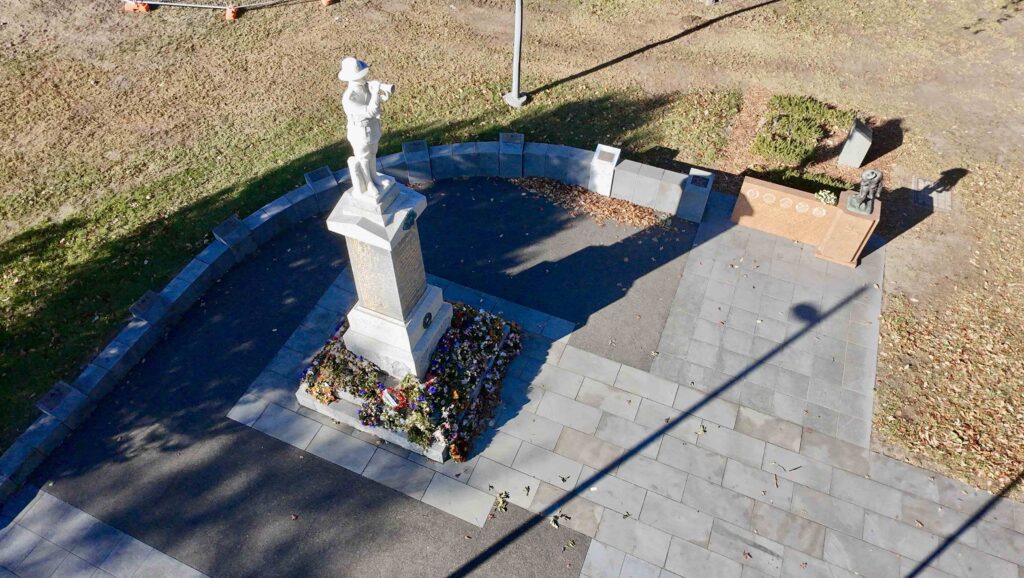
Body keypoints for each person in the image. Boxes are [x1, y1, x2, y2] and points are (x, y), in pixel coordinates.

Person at [338, 57, 394, 200]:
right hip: (360, 132)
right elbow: (370, 111)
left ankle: (374, 176)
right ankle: (368, 183)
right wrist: (375, 93)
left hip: (372, 128)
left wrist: (381, 96)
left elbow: (373, 103)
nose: (364, 77)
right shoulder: (349, 98)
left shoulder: (365, 87)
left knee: (373, 153)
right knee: (363, 158)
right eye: (360, 75)